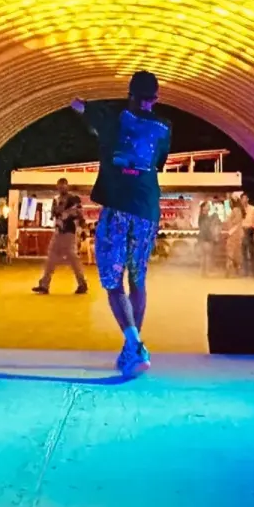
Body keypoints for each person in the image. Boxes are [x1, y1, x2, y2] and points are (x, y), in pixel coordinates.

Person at [70, 71, 172, 376]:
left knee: (113, 280)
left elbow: (76, 104)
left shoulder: (114, 118)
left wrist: (90, 107)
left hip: (117, 207)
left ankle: (134, 344)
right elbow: (158, 162)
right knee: (138, 279)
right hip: (147, 209)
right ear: (156, 98)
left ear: (130, 94)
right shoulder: (165, 127)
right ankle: (132, 348)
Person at [34, 193, 89, 294]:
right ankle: (44, 284)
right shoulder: (56, 200)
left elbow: (80, 215)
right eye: (60, 186)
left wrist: (81, 225)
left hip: (69, 232)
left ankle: (82, 282)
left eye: (63, 185)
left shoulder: (73, 200)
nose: (61, 187)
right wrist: (57, 211)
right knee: (51, 257)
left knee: (72, 257)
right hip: (58, 232)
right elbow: (53, 215)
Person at [237, 193, 254, 278]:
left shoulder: (252, 208)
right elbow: (238, 223)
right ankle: (245, 272)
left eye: (245, 198)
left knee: (252, 253)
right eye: (243, 198)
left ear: (248, 199)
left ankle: (253, 272)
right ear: (241, 200)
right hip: (242, 231)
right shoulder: (239, 210)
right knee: (244, 253)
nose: (244, 200)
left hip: (250, 231)